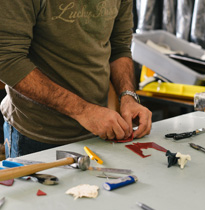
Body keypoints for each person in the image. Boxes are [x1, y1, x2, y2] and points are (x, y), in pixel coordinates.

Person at [0, 0, 152, 158]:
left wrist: (128, 97)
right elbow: (7, 60)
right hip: (38, 134)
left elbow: (119, 47)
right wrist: (83, 111)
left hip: (99, 129)